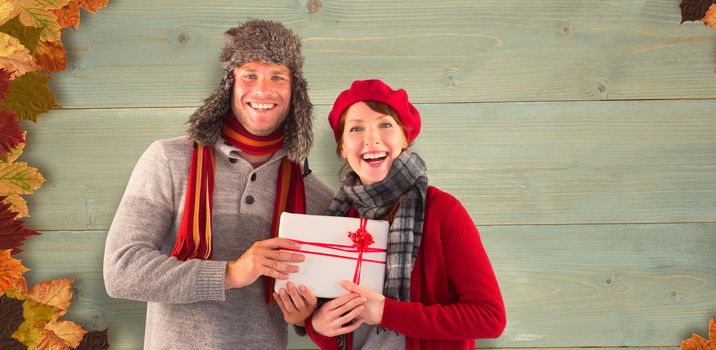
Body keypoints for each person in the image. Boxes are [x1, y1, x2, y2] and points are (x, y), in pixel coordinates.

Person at [102, 19, 334, 349]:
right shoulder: (169, 160)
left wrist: (305, 316)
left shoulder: (316, 195)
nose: (263, 90)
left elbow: (323, 307)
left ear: (295, 91)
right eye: (250, 75)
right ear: (230, 84)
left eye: (277, 77)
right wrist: (230, 274)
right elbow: (121, 270)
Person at [273, 79, 506, 349]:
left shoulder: (443, 211)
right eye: (356, 128)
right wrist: (317, 327)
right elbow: (348, 337)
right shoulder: (338, 218)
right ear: (342, 147)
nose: (371, 138)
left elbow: (490, 318)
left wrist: (386, 312)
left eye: (385, 125)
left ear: (405, 137)